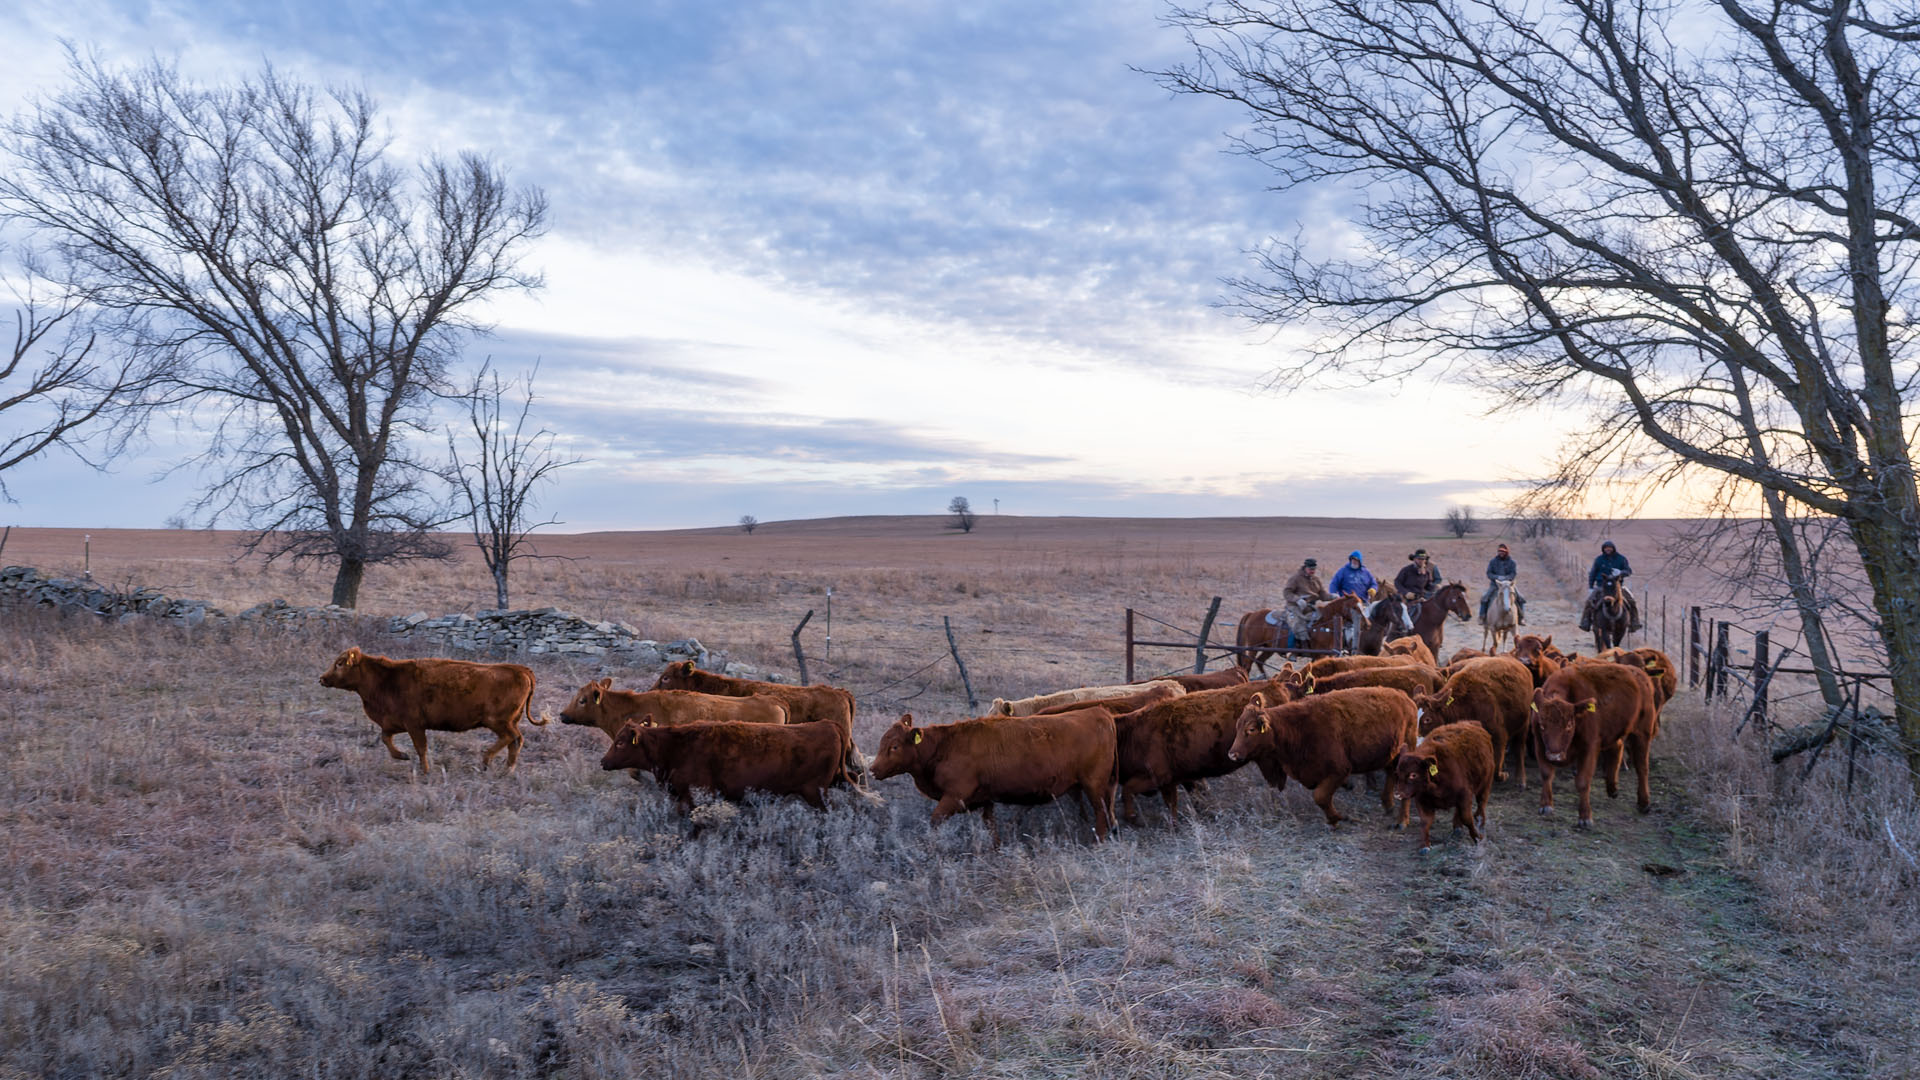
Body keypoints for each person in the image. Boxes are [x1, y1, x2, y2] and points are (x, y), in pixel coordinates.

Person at [1578, 539, 1642, 632]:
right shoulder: (1599, 559)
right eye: (1606, 548)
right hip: (1601, 586)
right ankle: (1586, 622)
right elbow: (1592, 573)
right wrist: (1591, 587)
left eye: (1610, 548)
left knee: (1631, 600)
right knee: (1589, 601)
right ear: (1603, 549)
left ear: (1613, 549)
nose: (1608, 549)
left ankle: (1634, 622)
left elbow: (1628, 571)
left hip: (1618, 586)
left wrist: (1621, 572)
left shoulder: (1621, 559)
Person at [1272, 557, 1332, 638]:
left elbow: (1322, 594)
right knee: (1299, 626)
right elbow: (1287, 592)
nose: (1312, 571)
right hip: (1295, 607)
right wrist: (1297, 599)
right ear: (1305, 568)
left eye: (1314, 569)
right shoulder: (1295, 579)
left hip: (1310, 608)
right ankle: (1302, 645)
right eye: (1310, 569)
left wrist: (1332, 597)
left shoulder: (1316, 580)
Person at [1479, 542, 1526, 625]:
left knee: (1521, 598)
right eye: (1500, 551)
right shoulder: (1493, 562)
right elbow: (1489, 573)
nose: (1501, 553)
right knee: (1484, 598)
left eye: (1503, 551)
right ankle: (1482, 617)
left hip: (1508, 585)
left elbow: (1513, 573)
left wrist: (1507, 578)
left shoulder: (1512, 562)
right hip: (1496, 585)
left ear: (1506, 552)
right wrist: (1497, 577)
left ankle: (1521, 618)